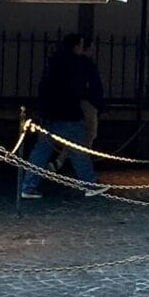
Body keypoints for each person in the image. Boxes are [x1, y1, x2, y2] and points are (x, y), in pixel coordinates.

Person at [20, 31, 105, 197]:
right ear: (76, 46)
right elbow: (78, 88)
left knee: (42, 150)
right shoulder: (76, 64)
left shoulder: (53, 63)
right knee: (78, 150)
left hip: (49, 113)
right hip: (69, 113)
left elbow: (43, 87)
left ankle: (28, 186)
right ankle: (89, 184)